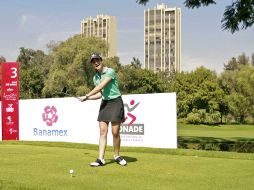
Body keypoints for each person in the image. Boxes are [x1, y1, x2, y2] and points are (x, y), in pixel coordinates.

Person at [78, 53, 127, 167]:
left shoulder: (110, 71)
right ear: (92, 64)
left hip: (115, 101)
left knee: (115, 132)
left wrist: (86, 95)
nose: (96, 63)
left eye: (98, 60)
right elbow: (100, 94)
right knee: (102, 131)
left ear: (101, 60)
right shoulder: (95, 77)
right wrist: (88, 98)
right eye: (93, 61)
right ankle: (100, 159)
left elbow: (100, 87)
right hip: (105, 103)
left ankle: (117, 156)